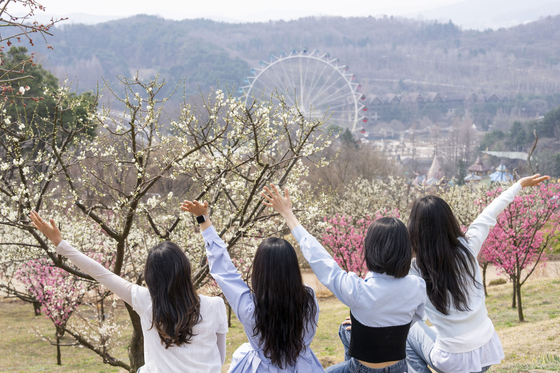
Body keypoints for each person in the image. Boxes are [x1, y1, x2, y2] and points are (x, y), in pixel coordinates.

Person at [29, 211, 228, 373]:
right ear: (186, 270)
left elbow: (102, 274)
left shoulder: (145, 301)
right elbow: (220, 357)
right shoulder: (215, 305)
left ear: (151, 277)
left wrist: (60, 244)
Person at [260, 184, 426, 373]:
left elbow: (320, 259)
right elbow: (413, 320)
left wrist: (288, 215)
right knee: (345, 329)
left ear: (370, 250)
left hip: (361, 369)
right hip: (400, 367)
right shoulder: (417, 287)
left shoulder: (357, 290)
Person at [405, 174, 550, 373]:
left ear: (414, 230)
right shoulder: (468, 247)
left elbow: (387, 293)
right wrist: (518, 185)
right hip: (485, 353)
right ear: (449, 221)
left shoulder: (414, 269)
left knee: (409, 327)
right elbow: (489, 213)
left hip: (452, 362)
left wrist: (365, 317)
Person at [181, 199, 322, 372]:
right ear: (293, 269)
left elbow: (224, 271)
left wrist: (203, 219)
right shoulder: (308, 299)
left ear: (259, 271)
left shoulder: (250, 308)